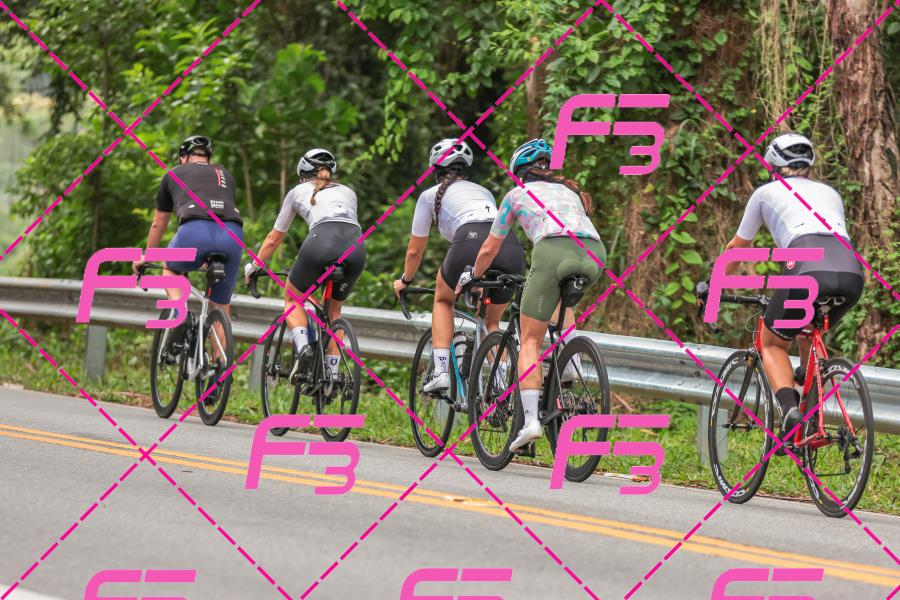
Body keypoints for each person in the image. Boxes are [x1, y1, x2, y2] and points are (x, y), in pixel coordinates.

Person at [704, 133, 863, 447]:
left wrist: (713, 289)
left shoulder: (765, 193)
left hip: (808, 268)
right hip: (850, 273)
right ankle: (811, 400)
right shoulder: (830, 192)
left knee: (773, 343)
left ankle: (790, 412)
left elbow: (736, 249)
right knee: (810, 329)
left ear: (772, 165)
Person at [459, 138, 606, 451]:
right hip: (594, 253)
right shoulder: (570, 190)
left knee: (529, 340)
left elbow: (489, 248)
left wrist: (473, 275)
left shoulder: (516, 195)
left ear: (518, 172)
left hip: (552, 251)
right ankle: (569, 363)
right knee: (560, 304)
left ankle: (530, 423)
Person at [393, 138, 526, 393]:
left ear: (436, 170)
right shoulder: (484, 191)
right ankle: (500, 385)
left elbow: (414, 251)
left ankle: (442, 372)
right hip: (509, 247)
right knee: (492, 321)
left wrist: (405, 280)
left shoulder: (429, 196)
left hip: (470, 242)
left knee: (443, 300)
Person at [244, 148, 366, 379]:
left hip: (321, 242)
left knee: (293, 298)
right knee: (334, 311)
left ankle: (303, 350)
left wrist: (254, 265)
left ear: (303, 174)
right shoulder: (348, 192)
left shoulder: (297, 191)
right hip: (355, 248)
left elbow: (274, 239)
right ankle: (332, 374)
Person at [134, 135, 244, 350]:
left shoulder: (174, 173)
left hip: (195, 230)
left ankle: (180, 314)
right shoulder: (225, 175)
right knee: (220, 307)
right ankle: (220, 367)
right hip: (232, 235)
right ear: (208, 158)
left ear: (183, 157)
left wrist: (147, 257)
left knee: (170, 269)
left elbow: (158, 223)